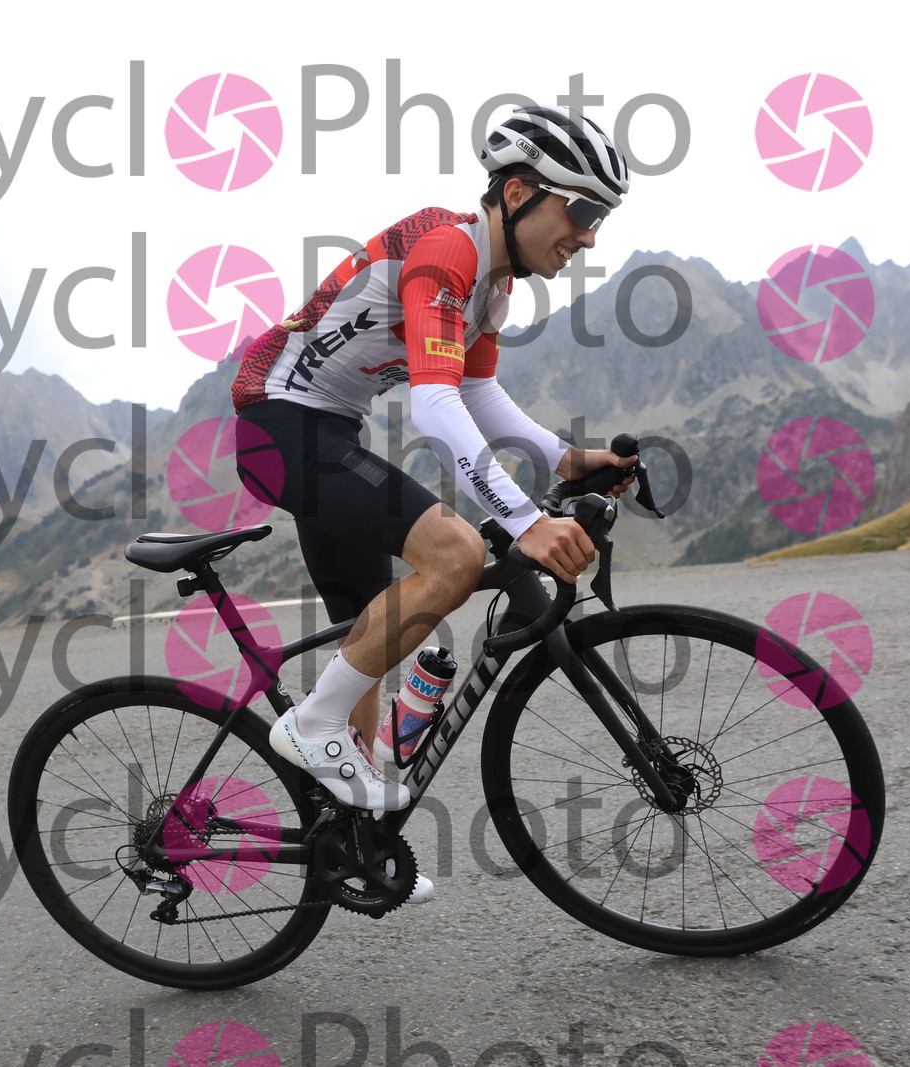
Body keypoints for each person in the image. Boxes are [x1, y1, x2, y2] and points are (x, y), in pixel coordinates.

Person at [230, 105, 637, 900]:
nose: (588, 236)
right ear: (518, 192)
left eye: (600, 219)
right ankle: (310, 727)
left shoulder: (492, 285)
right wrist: (526, 520)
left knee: (370, 632)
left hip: (325, 428)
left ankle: (353, 845)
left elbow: (479, 392)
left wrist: (564, 458)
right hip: (279, 425)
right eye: (582, 211)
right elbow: (436, 404)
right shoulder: (447, 251)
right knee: (455, 554)